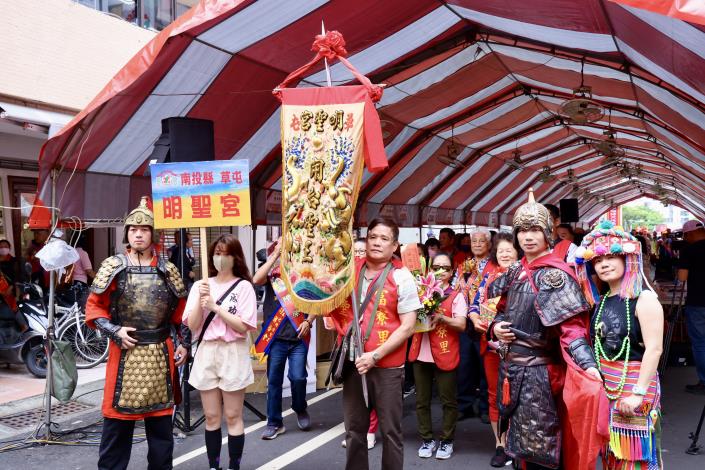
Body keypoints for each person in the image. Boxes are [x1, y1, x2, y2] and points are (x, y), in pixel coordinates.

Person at [488, 189, 601, 469]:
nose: (528, 236)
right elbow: (497, 310)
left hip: (538, 375)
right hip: (510, 370)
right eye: (522, 230)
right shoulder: (515, 270)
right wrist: (495, 328)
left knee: (541, 452)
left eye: (535, 230)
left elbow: (572, 330)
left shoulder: (556, 275)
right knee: (518, 450)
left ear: (548, 232)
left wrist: (588, 365)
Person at [85, 197, 188, 470]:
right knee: (116, 431)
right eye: (133, 229)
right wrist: (115, 330)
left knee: (161, 434)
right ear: (126, 233)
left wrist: (184, 343)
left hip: (160, 356)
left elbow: (182, 313)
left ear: (153, 234)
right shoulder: (113, 266)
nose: (138, 233)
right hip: (125, 354)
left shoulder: (168, 270)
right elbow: (94, 309)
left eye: (144, 229)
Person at [328, 217, 422, 470]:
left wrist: (376, 356)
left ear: (395, 246)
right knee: (354, 430)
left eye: (384, 239)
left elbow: (408, 326)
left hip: (387, 366)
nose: (377, 243)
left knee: (391, 432)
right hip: (353, 362)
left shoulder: (402, 277)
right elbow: (330, 299)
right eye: (372, 237)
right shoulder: (349, 271)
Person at [575, 221, 664, 469]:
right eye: (598, 260)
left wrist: (637, 393)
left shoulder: (644, 298)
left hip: (636, 388)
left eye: (612, 257)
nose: (604, 264)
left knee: (636, 458)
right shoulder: (601, 300)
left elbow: (654, 349)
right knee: (611, 454)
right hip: (607, 390)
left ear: (628, 259)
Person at [184, 234, 257, 470]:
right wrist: (201, 301)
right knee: (212, 417)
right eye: (217, 253)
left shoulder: (244, 286)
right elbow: (192, 325)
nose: (220, 258)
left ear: (235, 257)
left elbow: (242, 326)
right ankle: (214, 465)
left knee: (233, 417)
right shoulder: (200, 285)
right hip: (207, 351)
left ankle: (234, 465)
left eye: (226, 253)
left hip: (233, 351)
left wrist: (216, 307)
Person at [468, 232, 520, 467]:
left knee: (520, 395)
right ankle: (500, 444)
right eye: (501, 251)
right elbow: (474, 305)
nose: (505, 253)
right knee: (494, 395)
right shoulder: (489, 278)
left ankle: (518, 442)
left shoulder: (526, 276)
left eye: (509, 249)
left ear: (518, 252)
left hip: (522, 349)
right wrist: (476, 317)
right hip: (492, 348)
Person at [408, 252, 466, 460]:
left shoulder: (456, 295)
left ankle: (447, 440)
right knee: (421, 400)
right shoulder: (418, 292)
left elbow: (461, 324)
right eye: (436, 267)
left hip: (445, 351)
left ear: (452, 272)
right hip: (420, 352)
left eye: (446, 268)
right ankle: (426, 439)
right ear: (429, 270)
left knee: (448, 400)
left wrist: (442, 317)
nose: (440, 271)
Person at [253, 238, 312, 440]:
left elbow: (318, 300)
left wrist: (310, 320)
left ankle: (299, 406)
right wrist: (275, 255)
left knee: (298, 378)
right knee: (274, 381)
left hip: (298, 336)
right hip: (276, 338)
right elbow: (256, 279)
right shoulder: (272, 273)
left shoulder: (306, 271)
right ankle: (274, 422)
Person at [457, 228, 494, 423]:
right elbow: (457, 291)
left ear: (489, 244)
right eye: (474, 241)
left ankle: (486, 407)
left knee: (484, 367)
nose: (477, 244)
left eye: (481, 241)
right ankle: (464, 405)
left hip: (484, 322)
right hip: (465, 322)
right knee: (464, 366)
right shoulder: (464, 266)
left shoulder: (494, 266)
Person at [678, 219, 705, 395]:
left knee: (701, 343)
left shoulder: (689, 250)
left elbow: (682, 277)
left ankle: (704, 381)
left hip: (698, 301)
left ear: (689, 234)